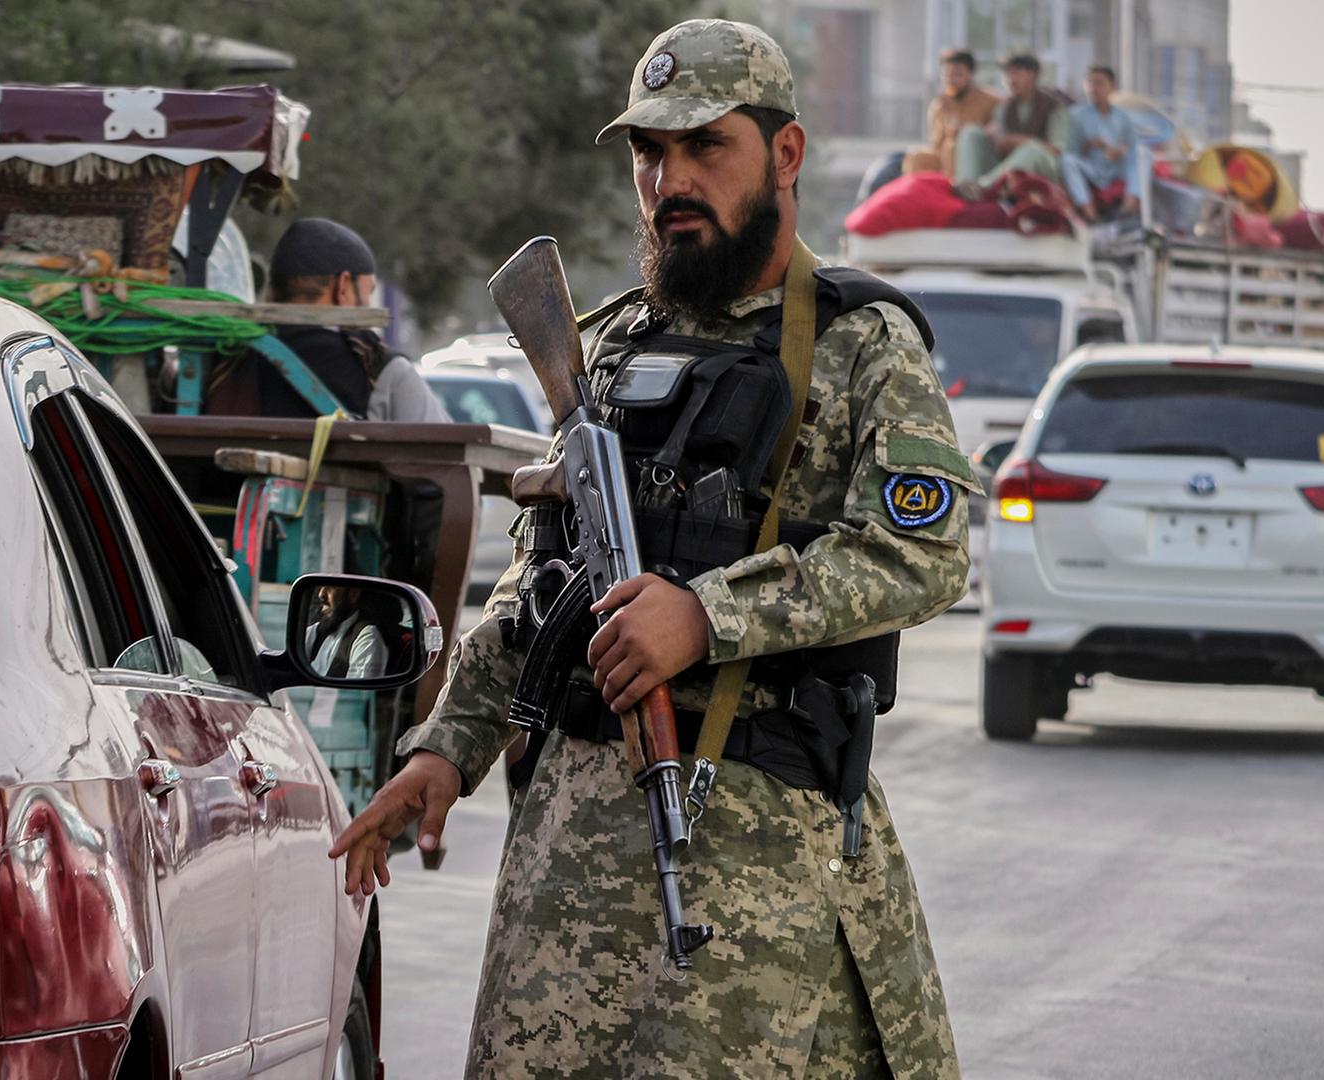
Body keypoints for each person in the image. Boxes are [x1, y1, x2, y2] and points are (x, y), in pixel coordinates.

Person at [328, 17, 973, 1078]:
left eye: (704, 147)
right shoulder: (615, 342)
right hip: (567, 866)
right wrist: (448, 747)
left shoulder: (864, 348)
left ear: (787, 154)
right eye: (648, 152)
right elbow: (543, 582)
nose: (670, 178)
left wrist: (708, 616)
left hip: (755, 867)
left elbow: (922, 555)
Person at [208, 217, 450, 423]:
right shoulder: (378, 367)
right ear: (343, 286)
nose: (367, 304)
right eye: (367, 292)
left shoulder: (220, 357)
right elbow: (447, 459)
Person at [954, 52, 1070, 193]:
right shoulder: (1004, 107)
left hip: (1045, 167)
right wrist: (995, 136)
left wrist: (1019, 141)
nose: (1010, 80)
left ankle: (982, 188)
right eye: (1006, 75)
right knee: (971, 132)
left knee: (1031, 150)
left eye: (1016, 74)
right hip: (1009, 166)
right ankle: (966, 184)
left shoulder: (1054, 106)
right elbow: (999, 143)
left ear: (1033, 75)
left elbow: (1056, 150)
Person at [903, 48, 1001, 178]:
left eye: (957, 74)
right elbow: (935, 144)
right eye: (946, 75)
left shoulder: (991, 101)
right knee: (916, 157)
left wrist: (966, 132)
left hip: (977, 162)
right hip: (943, 160)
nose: (951, 80)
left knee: (952, 147)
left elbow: (995, 135)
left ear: (971, 75)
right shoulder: (939, 105)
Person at [1063, 64, 1142, 222]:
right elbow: (1071, 151)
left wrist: (1120, 151)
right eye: (1090, 83)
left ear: (1111, 87)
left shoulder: (1122, 117)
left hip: (1113, 167)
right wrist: (1089, 145)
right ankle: (1089, 212)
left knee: (1141, 155)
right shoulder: (1075, 116)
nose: (1093, 88)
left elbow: (1131, 147)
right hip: (1090, 166)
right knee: (1067, 161)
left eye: (1099, 83)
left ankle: (1129, 206)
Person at [306, 584, 391, 680]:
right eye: (321, 586)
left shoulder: (368, 638)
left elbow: (358, 692)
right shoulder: (314, 632)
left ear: (353, 594)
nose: (321, 594)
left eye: (330, 587)